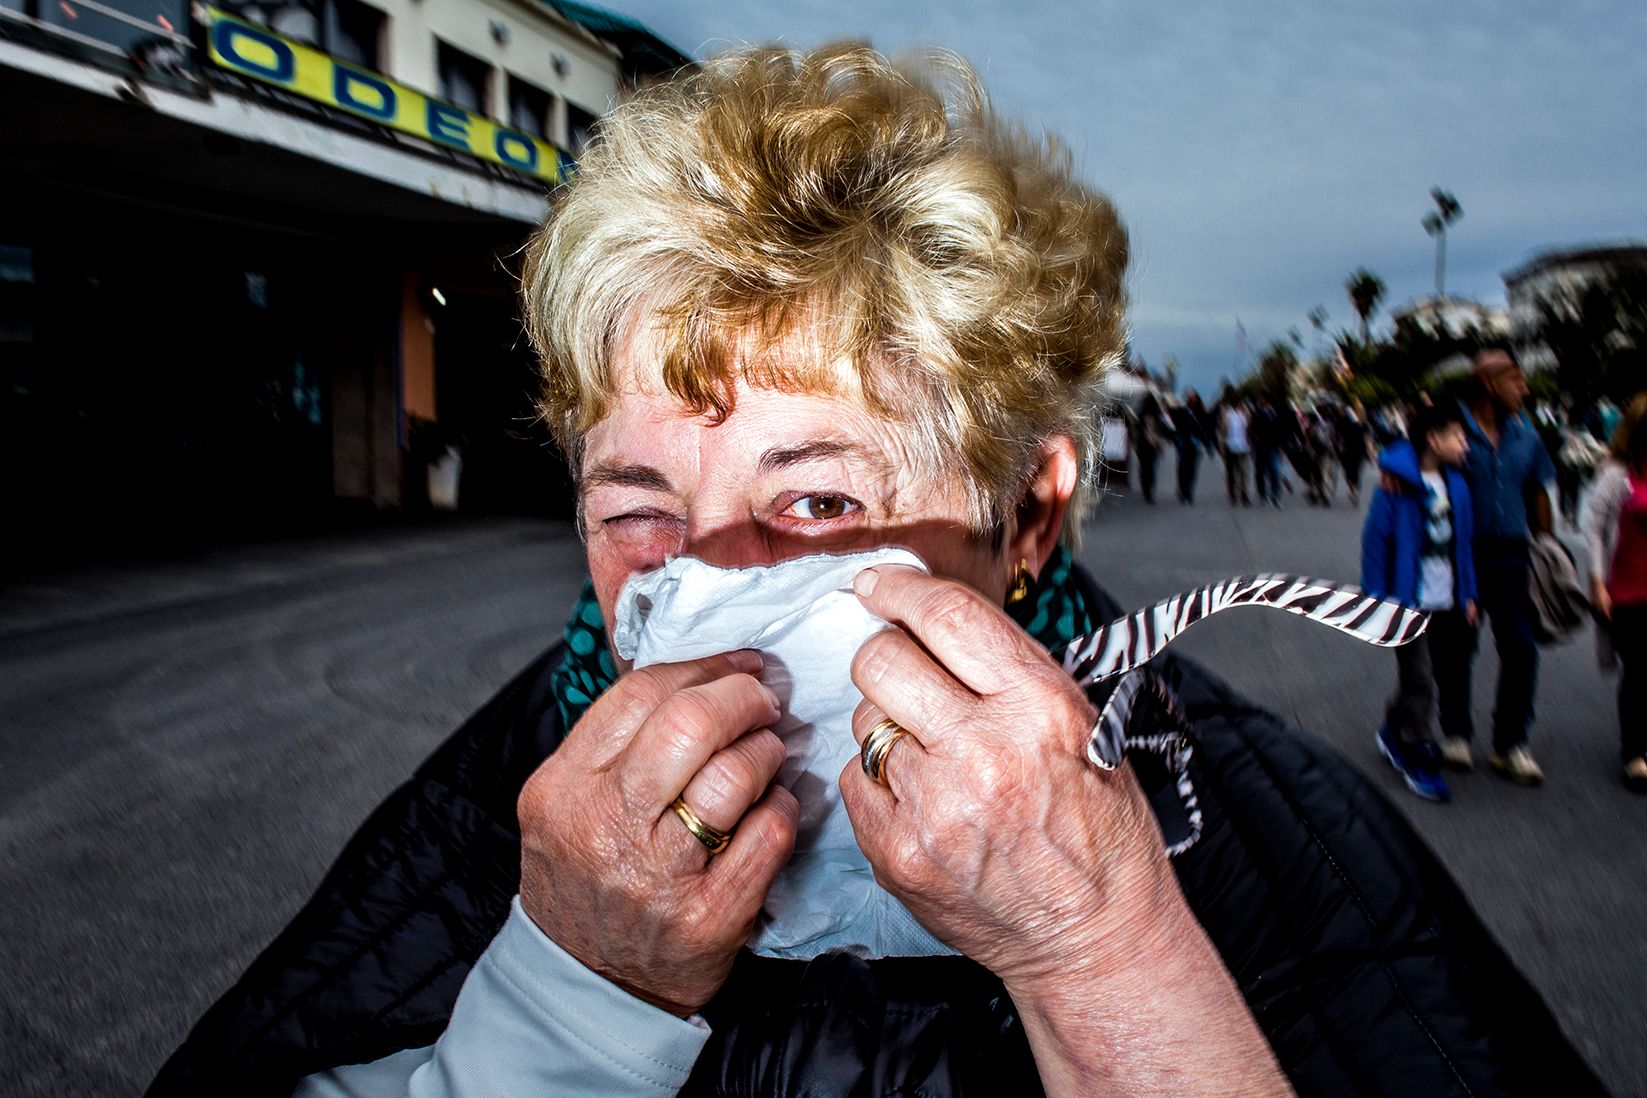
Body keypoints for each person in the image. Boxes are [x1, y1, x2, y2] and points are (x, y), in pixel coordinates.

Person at [151, 44, 1604, 1098]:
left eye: (817, 498)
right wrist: (571, 991)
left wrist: (1097, 950)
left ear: (1025, 516)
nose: (708, 577)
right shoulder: (506, 796)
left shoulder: (1261, 826)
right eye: (638, 504)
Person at [1361, 405, 1478, 802]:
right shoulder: (1395, 486)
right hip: (1407, 601)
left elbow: (1464, 546)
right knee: (1421, 680)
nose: (1465, 444)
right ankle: (1417, 750)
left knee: (1428, 675)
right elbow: (1376, 543)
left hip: (1447, 599)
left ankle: (1393, 728)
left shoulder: (1458, 484)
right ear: (1433, 440)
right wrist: (1377, 599)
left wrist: (1469, 595)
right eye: (1457, 436)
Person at [1453, 348, 1558, 784]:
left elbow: (1538, 490)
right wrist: (1392, 468)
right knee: (1459, 645)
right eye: (1516, 379)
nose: (1524, 389)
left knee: (1520, 648)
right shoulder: (1453, 427)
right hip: (1463, 555)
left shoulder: (1527, 435)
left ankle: (1511, 743)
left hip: (1514, 555)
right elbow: (1409, 455)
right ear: (1488, 383)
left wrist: (1547, 547)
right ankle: (1456, 733)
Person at [1581, 393, 1647, 792]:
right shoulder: (1617, 474)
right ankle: (1634, 753)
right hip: (1627, 592)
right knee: (1639, 670)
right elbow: (1593, 527)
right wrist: (1596, 582)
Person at [1169, 389, 1211, 503]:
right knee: (1183, 468)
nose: (1192, 400)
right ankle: (1183, 490)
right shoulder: (1182, 410)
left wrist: (1206, 442)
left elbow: (1206, 427)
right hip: (1183, 442)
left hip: (1195, 442)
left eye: (1194, 397)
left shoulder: (1201, 412)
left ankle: (1188, 492)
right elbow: (1173, 418)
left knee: (1191, 469)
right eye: (1190, 398)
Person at [1131, 393, 1170, 504]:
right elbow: (1163, 431)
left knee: (1144, 468)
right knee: (1151, 468)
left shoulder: (1141, 415)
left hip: (1143, 445)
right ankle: (1150, 488)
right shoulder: (1158, 415)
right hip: (1153, 445)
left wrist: (1135, 444)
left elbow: (1137, 432)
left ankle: (1146, 487)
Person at [1219, 393, 1252, 505]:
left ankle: (1244, 493)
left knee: (1244, 471)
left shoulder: (1244, 414)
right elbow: (1223, 431)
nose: (1240, 405)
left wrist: (1245, 409)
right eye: (1238, 403)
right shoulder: (1228, 414)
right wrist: (1222, 446)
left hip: (1243, 446)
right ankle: (1232, 493)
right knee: (1231, 472)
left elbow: (1249, 423)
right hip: (1230, 445)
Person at [1337, 403, 1371, 506]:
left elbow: (1340, 435)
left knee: (1349, 472)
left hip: (1350, 450)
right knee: (1354, 472)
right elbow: (1367, 439)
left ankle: (1353, 490)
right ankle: (1354, 491)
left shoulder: (1348, 422)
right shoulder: (1363, 424)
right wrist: (1369, 452)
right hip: (1358, 450)